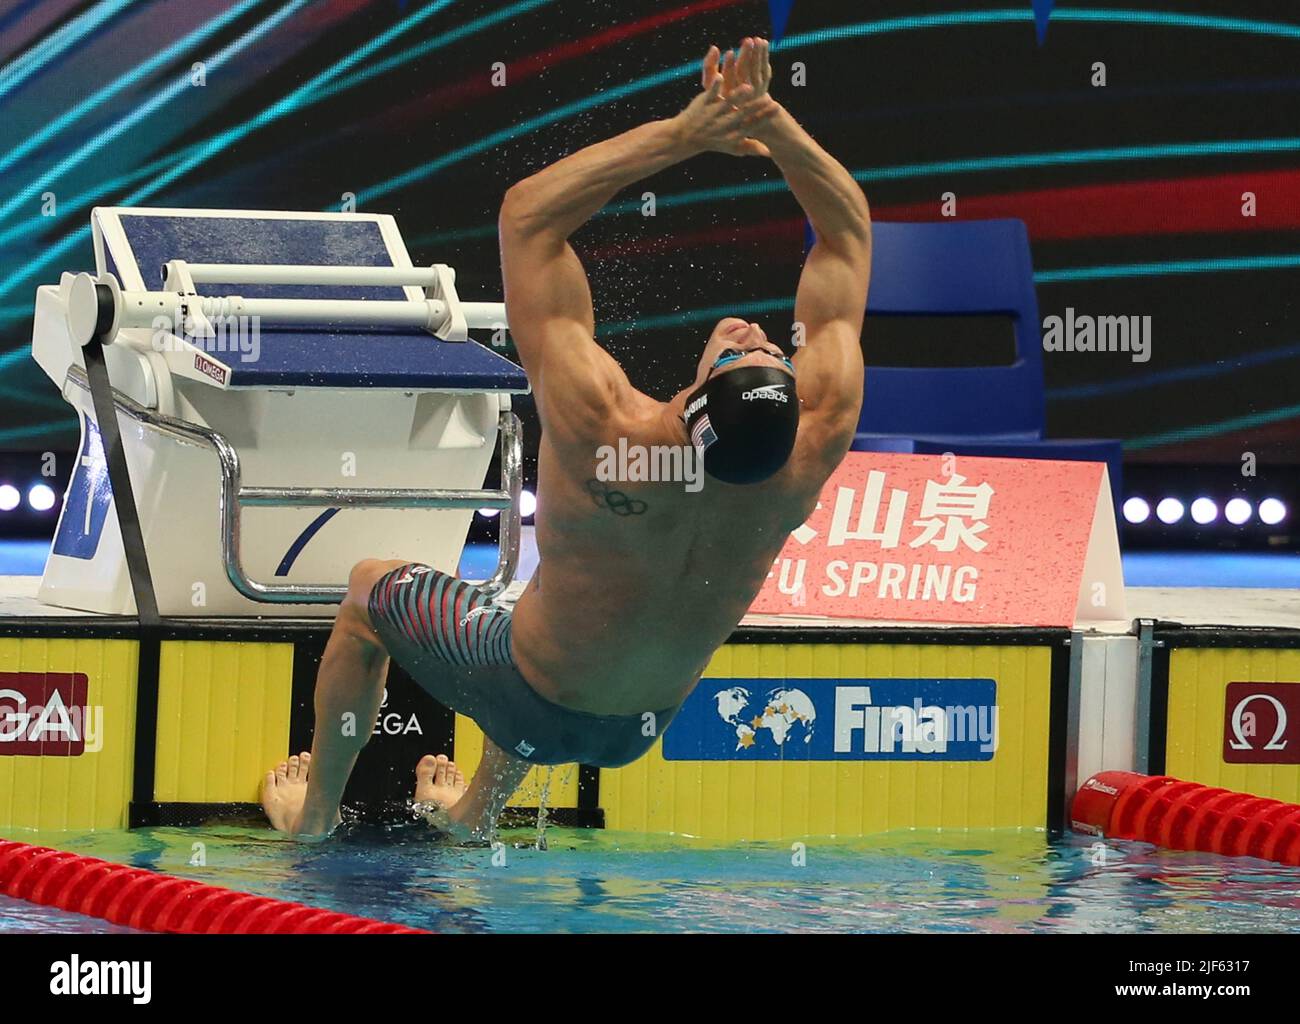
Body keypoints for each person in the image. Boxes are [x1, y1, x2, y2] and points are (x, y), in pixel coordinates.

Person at [262, 38, 871, 841]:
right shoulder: (812, 442)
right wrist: (774, 123)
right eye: (766, 349)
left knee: (370, 591)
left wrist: (687, 133)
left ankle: (315, 816)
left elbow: (528, 218)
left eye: (743, 351)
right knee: (539, 604)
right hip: (639, 730)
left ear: (696, 403)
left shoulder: (601, 420)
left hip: (526, 692)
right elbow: (848, 237)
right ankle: (476, 811)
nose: (756, 331)